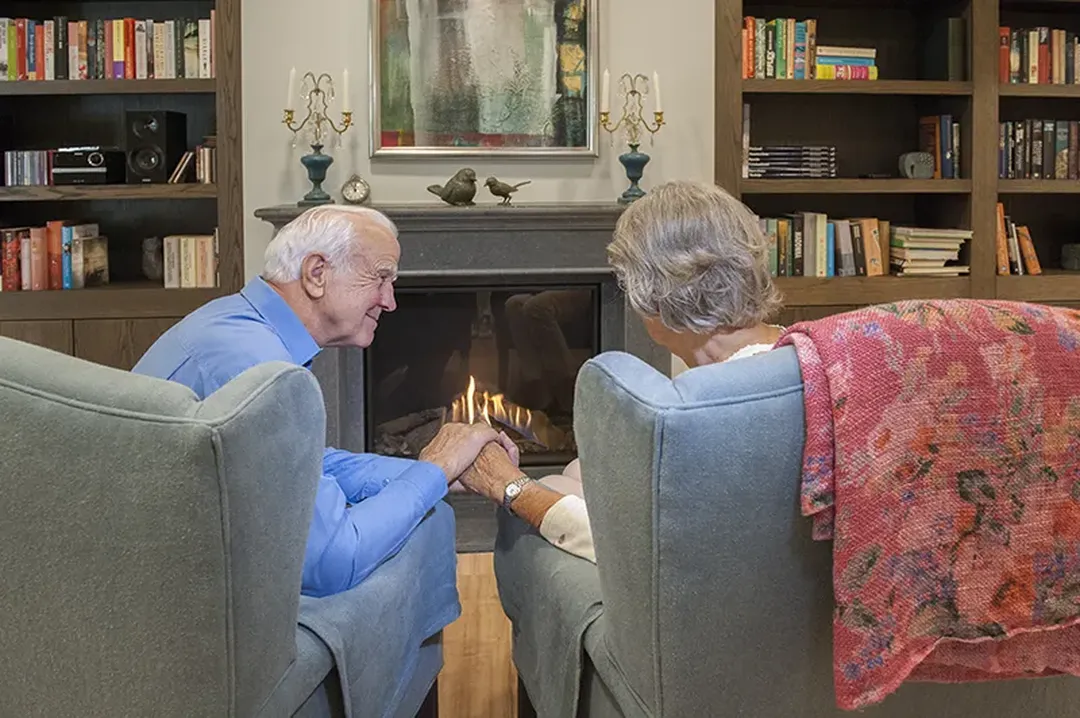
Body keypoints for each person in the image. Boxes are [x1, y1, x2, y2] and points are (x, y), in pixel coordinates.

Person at [133, 205, 515, 597]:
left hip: (183, 554)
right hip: (182, 592)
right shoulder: (259, 369)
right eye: (380, 278)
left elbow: (311, 465)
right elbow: (333, 561)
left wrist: (435, 472)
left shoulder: (242, 328)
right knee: (424, 525)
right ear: (317, 274)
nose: (390, 301)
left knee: (425, 504)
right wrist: (437, 468)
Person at [457, 180, 784, 562]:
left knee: (536, 505)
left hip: (696, 578)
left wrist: (510, 486)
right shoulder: (796, 354)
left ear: (654, 298)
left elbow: (640, 550)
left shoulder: (705, 413)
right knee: (576, 472)